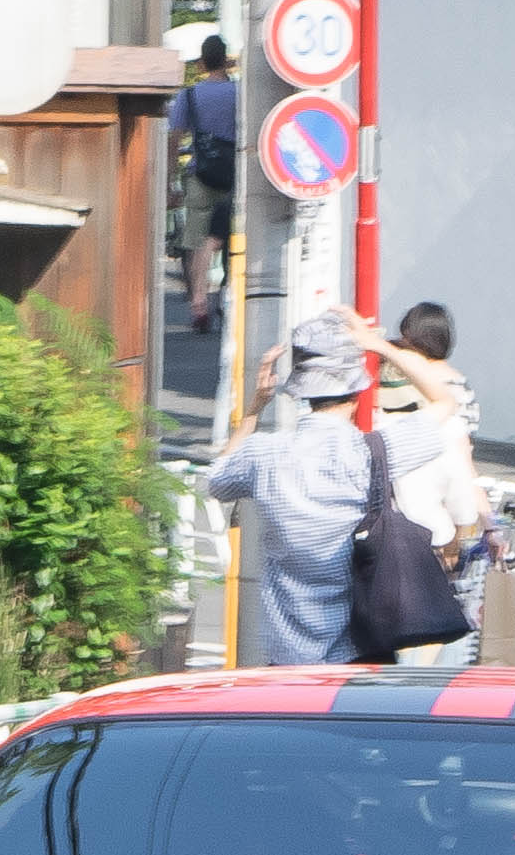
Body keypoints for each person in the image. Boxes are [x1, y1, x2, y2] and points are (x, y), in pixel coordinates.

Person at [200, 311, 467, 664]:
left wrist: (254, 409)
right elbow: (445, 401)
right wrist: (379, 346)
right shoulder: (374, 451)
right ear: (358, 390)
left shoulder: (264, 454)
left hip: (287, 655)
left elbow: (217, 481)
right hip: (359, 647)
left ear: (302, 392)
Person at [377, 302, 490, 663]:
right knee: (446, 615)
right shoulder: (458, 389)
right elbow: (463, 461)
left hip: (389, 528)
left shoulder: (389, 383)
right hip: (442, 518)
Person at [165, 39, 237, 333]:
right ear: (226, 61)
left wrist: (170, 181)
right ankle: (227, 295)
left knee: (197, 241)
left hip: (200, 173)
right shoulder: (240, 93)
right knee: (233, 238)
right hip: (235, 173)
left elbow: (174, 137)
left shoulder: (190, 95)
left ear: (202, 64)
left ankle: (198, 304)